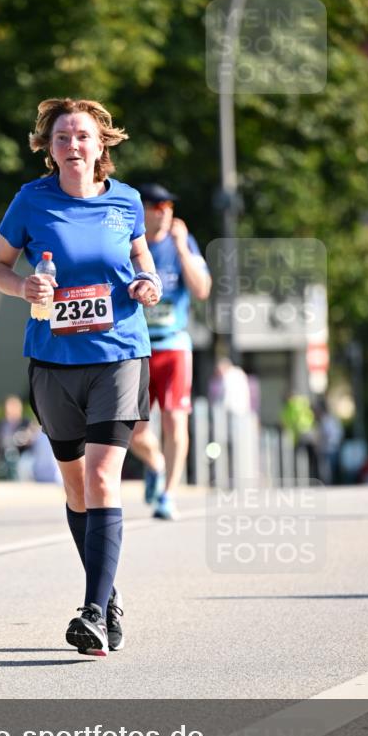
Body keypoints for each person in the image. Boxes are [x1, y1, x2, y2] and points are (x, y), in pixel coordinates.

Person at [0, 97, 162, 657]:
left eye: (83, 135)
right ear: (49, 147)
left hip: (119, 352)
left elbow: (143, 263)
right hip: (53, 360)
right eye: (62, 137)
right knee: (76, 487)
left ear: (101, 142)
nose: (73, 145)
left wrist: (147, 284)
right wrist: (23, 288)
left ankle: (90, 608)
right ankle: (106, 597)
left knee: (103, 476)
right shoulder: (30, 201)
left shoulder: (127, 201)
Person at [128, 184, 211, 521]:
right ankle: (155, 463)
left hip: (174, 343)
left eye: (168, 207)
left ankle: (168, 494)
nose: (164, 212)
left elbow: (202, 290)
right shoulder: (129, 245)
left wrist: (182, 249)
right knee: (132, 428)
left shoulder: (184, 245)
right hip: (137, 346)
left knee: (177, 420)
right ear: (142, 211)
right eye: (156, 206)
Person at [0, 394, 37, 480]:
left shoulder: (26, 422)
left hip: (23, 455)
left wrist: (25, 439)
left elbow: (31, 440)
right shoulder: (3, 424)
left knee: (24, 463)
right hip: (5, 455)